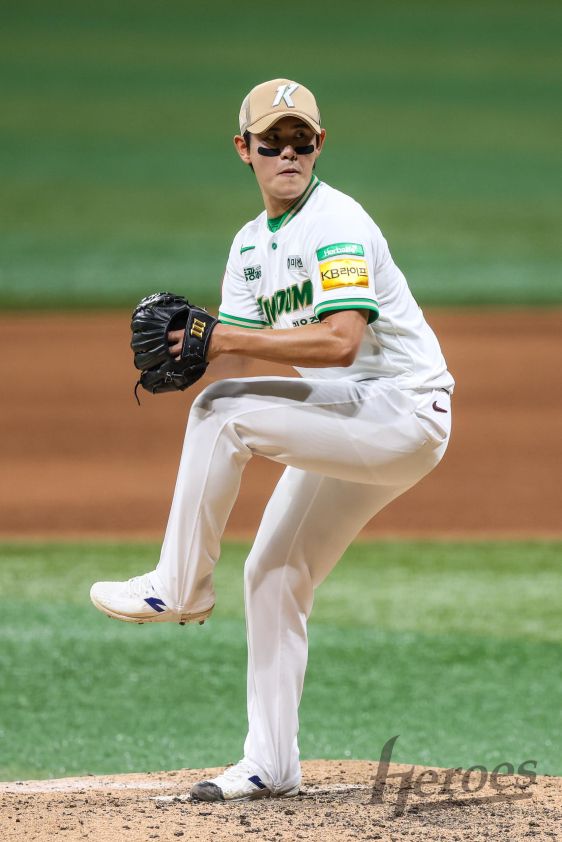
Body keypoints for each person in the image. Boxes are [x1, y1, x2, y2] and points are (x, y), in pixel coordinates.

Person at [90, 78, 454, 802]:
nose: (288, 153)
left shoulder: (337, 222)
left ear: (319, 146)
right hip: (356, 417)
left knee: (222, 411)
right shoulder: (251, 246)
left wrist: (220, 342)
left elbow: (341, 341)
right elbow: (236, 342)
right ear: (244, 149)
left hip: (403, 410)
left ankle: (178, 586)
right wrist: (191, 346)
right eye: (272, 142)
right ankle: (270, 763)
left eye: (301, 140)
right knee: (273, 571)